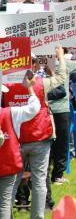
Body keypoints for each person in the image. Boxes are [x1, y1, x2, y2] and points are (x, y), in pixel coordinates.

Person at [4, 46, 67, 219]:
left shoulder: (6, 86)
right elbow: (62, 78)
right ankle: (37, 216)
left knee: (11, 183)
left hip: (15, 141)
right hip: (40, 138)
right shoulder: (41, 83)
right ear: (32, 65)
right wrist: (60, 57)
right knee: (39, 180)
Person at [47, 43, 76, 187]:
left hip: (44, 110)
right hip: (60, 109)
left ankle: (46, 173)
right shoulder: (63, 65)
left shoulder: (41, 66)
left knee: (46, 143)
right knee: (62, 142)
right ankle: (57, 175)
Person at [0, 81, 41, 218]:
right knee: (4, 203)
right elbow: (34, 108)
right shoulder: (10, 113)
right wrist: (30, 88)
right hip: (8, 163)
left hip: (8, 164)